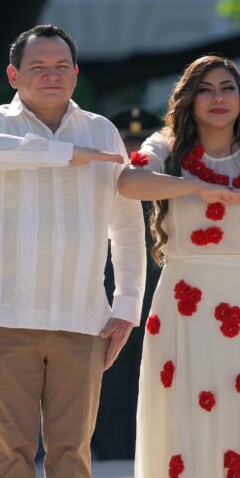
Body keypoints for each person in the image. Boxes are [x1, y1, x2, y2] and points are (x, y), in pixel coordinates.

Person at [0, 23, 146, 478]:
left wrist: (127, 305)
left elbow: (127, 224)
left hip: (81, 320)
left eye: (62, 66)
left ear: (76, 73)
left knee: (72, 453)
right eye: (39, 66)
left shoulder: (102, 131)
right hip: (2, 320)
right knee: (9, 453)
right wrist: (66, 154)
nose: (52, 75)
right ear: (13, 74)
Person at [118, 55, 240, 478]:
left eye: (227, 88)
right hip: (186, 308)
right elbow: (128, 182)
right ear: (189, 99)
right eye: (206, 89)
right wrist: (195, 187)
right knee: (186, 424)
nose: (218, 98)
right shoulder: (166, 149)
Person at [91, 105, 163, 460]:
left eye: (140, 141)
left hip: (161, 288)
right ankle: (110, 449)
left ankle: (146, 449)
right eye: (127, 141)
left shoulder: (163, 176)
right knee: (113, 375)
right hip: (115, 288)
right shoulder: (106, 176)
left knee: (153, 372)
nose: (134, 149)